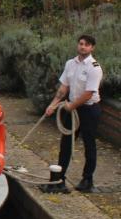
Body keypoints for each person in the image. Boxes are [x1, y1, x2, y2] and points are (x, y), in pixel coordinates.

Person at [41, 34, 102, 193]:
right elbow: (63, 88)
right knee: (66, 144)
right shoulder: (70, 64)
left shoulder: (94, 68)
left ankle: (87, 180)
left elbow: (89, 93)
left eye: (87, 45)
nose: (83, 47)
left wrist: (71, 106)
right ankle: (59, 180)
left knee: (89, 145)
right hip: (72, 108)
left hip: (89, 109)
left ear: (92, 48)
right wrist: (53, 105)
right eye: (81, 44)